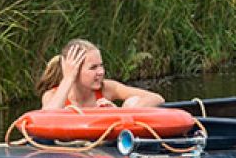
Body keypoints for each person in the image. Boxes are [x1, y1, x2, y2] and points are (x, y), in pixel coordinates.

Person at [36, 38, 164, 110]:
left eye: (101, 65)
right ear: (74, 70)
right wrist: (68, 78)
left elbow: (157, 98)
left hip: (105, 148)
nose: (101, 72)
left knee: (133, 101)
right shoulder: (52, 95)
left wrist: (120, 113)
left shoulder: (108, 88)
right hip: (73, 150)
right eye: (93, 68)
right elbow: (48, 116)